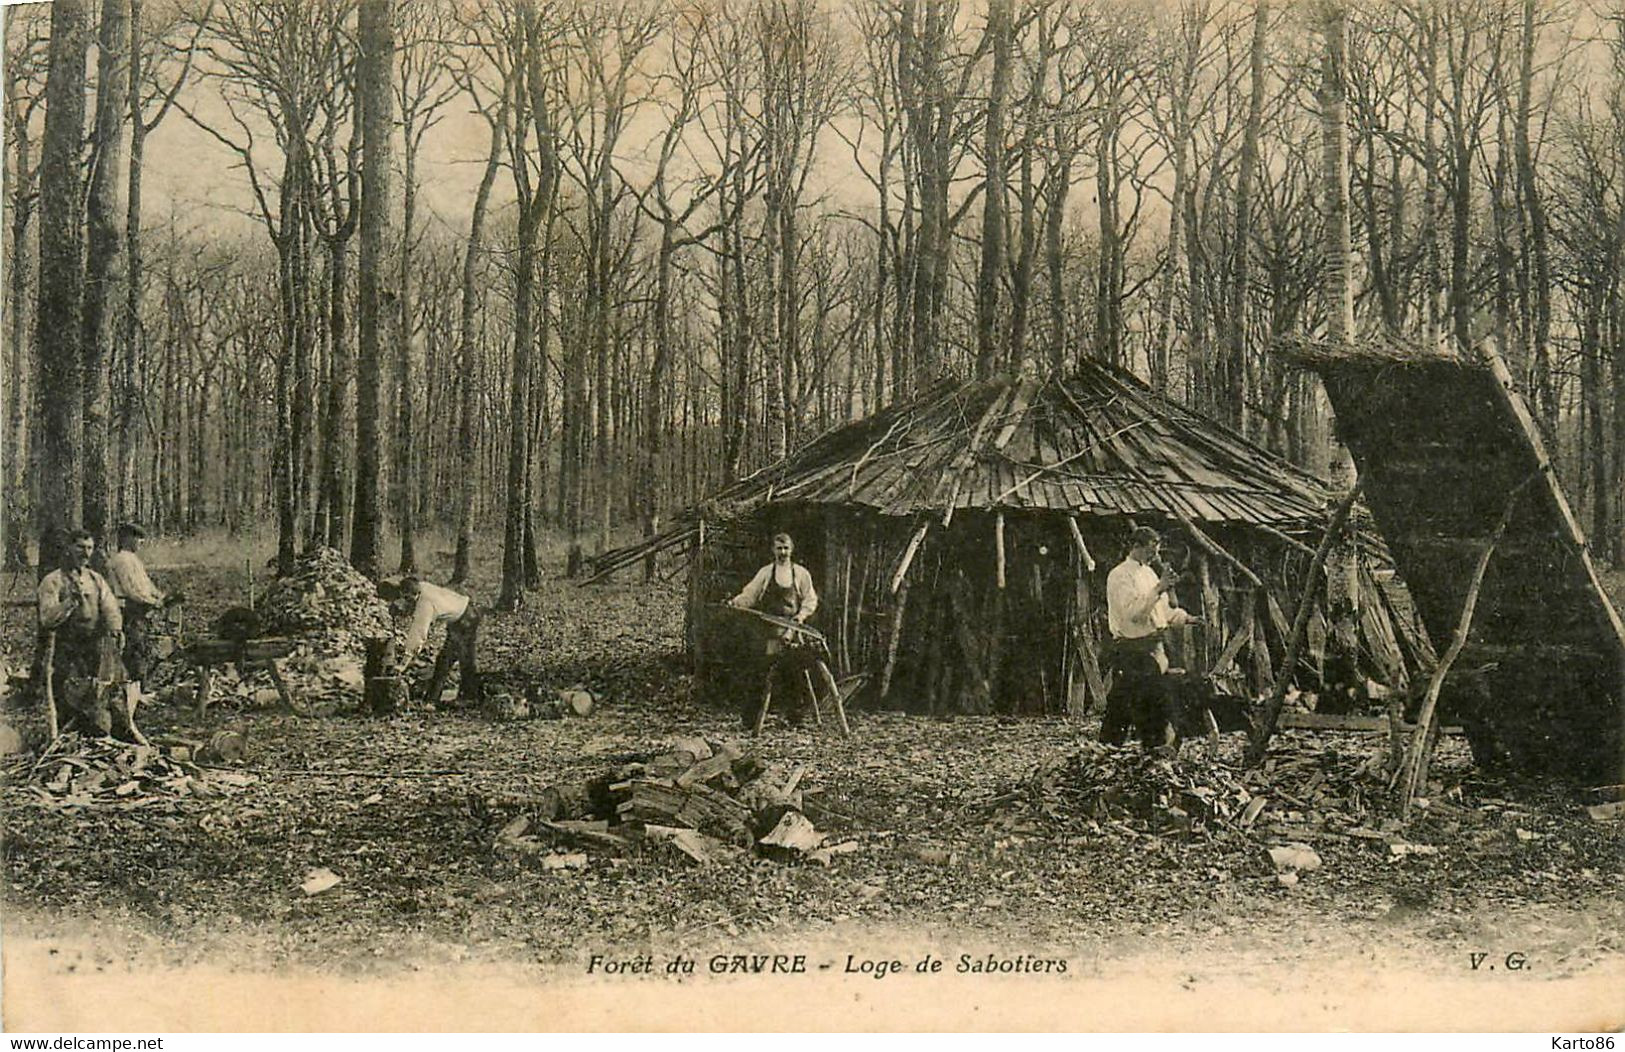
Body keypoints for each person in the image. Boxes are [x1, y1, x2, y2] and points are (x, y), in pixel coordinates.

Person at [1102, 525, 1194, 749]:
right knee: (1134, 702)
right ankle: (1113, 748)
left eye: (1157, 549)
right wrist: (1158, 588)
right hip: (1133, 649)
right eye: (1151, 549)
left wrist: (1186, 617)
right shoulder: (1119, 575)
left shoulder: (1149, 573)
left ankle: (1148, 749)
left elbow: (1161, 612)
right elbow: (1134, 614)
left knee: (1146, 700)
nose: (1155, 555)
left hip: (1155, 646)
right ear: (1136, 546)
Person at [37, 528, 129, 737]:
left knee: (96, 690)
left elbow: (110, 607)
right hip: (65, 646)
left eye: (89, 548)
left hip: (93, 644)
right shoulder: (53, 580)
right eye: (80, 547)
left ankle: (94, 734)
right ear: (69, 548)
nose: (85, 553)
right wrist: (69, 603)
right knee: (67, 693)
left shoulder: (95, 579)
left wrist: (115, 629)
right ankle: (66, 736)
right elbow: (47, 618)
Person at [729, 533, 819, 726]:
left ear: (792, 549)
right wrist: (735, 602)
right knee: (759, 673)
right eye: (779, 548)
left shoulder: (801, 574)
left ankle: (795, 718)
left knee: (795, 672)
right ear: (773, 550)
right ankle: (751, 719)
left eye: (786, 548)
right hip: (767, 630)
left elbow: (810, 600)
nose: (783, 552)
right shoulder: (766, 572)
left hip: (791, 630)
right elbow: (750, 594)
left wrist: (799, 618)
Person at [104, 523, 179, 695]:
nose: (140, 542)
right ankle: (135, 689)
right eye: (137, 538)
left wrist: (160, 597)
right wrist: (152, 602)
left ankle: (140, 686)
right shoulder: (122, 559)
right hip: (128, 610)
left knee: (145, 648)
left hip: (140, 609)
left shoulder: (133, 559)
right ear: (126, 539)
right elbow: (131, 590)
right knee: (134, 649)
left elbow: (146, 585)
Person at [385, 576, 482, 708]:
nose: (407, 603)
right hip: (465, 613)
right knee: (455, 658)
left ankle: (440, 700)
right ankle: (448, 697)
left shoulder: (425, 604)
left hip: (465, 620)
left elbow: (418, 633)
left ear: (415, 595)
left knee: (452, 659)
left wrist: (403, 664)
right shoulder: (422, 586)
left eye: (408, 599)